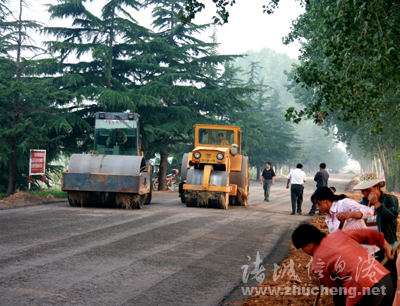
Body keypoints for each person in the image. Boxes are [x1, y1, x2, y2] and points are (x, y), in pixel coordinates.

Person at [292, 224, 394, 306]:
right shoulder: (338, 234)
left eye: (302, 248)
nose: (304, 251)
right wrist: (386, 246)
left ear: (308, 244)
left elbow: (338, 290)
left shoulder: (317, 264)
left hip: (366, 291)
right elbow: (368, 234)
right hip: (385, 279)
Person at [353, 171, 399, 302]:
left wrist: (377, 204)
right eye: (363, 191)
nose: (366, 194)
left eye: (368, 190)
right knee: (372, 282)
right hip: (367, 250)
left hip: (388, 247)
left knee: (390, 280)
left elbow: (391, 216)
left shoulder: (390, 200)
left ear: (377, 187)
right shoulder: (361, 203)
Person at [311, 186, 379, 254]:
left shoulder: (343, 204)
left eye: (318, 204)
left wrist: (348, 215)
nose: (317, 206)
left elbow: (369, 211)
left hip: (367, 251)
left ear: (325, 201)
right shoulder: (329, 219)